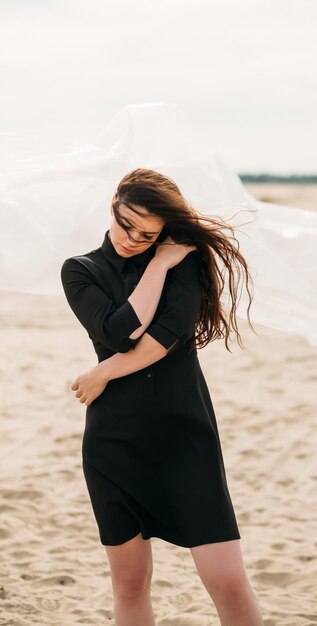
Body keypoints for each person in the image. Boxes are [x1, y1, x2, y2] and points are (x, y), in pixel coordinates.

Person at [60, 167, 264, 626]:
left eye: (147, 235)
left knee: (228, 581)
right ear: (112, 206)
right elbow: (123, 331)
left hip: (184, 437)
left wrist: (103, 372)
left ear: (165, 231)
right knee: (130, 585)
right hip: (114, 444)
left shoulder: (183, 261)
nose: (132, 238)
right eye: (125, 224)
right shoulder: (80, 270)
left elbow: (165, 337)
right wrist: (156, 265)